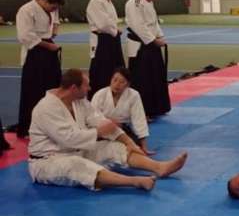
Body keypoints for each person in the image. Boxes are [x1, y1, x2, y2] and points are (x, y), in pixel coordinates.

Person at [28, 69, 188, 191]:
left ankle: (159, 167)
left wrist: (129, 142)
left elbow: (102, 121)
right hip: (48, 161)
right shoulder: (46, 108)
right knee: (77, 165)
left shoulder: (79, 101)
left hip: (77, 149)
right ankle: (135, 181)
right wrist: (99, 132)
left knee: (114, 148)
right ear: (73, 88)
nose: (89, 88)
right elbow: (69, 138)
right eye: (86, 85)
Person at [14, 0, 65, 138]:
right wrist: (47, 46)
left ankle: (49, 126)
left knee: (52, 89)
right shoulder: (26, 10)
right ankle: (27, 128)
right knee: (32, 92)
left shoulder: (51, 8)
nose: (55, 10)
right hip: (34, 52)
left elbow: (55, 21)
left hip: (49, 49)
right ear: (46, 1)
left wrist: (54, 31)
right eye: (53, 7)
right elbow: (24, 36)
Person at [125, 0, 170, 119]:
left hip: (152, 44)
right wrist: (153, 40)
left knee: (156, 77)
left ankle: (157, 107)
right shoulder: (134, 3)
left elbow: (154, 22)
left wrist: (160, 36)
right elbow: (139, 26)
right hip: (141, 46)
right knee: (142, 80)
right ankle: (142, 111)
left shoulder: (149, 2)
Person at [91, 67, 151, 154]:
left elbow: (139, 119)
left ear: (128, 84)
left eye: (122, 82)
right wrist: (109, 123)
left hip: (123, 129)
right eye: (115, 80)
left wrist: (144, 145)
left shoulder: (133, 95)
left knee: (135, 147)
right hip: (103, 129)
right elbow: (93, 116)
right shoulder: (100, 94)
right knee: (91, 144)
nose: (117, 84)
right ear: (111, 80)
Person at [86, 0, 124, 97]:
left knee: (115, 68)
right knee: (101, 70)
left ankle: (113, 94)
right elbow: (103, 23)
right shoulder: (95, 2)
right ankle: (97, 97)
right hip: (102, 40)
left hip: (112, 39)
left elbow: (112, 20)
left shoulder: (108, 2)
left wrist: (115, 30)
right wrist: (115, 31)